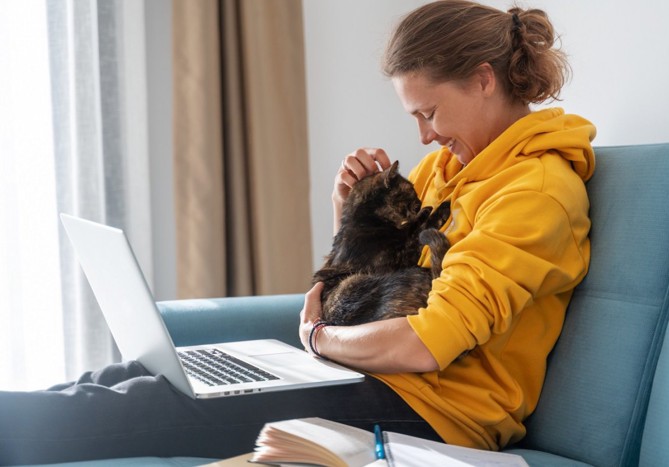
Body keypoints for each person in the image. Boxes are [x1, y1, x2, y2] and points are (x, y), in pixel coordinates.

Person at [0, 1, 595, 464]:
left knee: (144, 407)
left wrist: (316, 342)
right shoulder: (451, 167)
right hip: (371, 378)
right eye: (413, 116)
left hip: (434, 413)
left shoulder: (534, 194)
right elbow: (391, 283)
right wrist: (350, 216)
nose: (423, 136)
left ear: (484, 80)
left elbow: (424, 343)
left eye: (429, 112)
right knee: (122, 378)